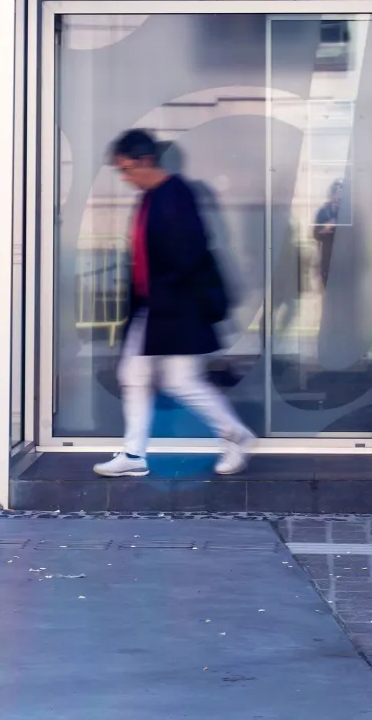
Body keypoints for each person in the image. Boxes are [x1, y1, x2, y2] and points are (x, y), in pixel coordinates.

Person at [94, 129, 257, 479]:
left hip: (178, 311)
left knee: (181, 380)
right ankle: (134, 454)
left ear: (146, 160)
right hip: (153, 309)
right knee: (134, 375)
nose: (124, 177)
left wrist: (164, 295)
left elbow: (191, 253)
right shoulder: (150, 196)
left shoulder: (175, 194)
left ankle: (234, 433)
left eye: (127, 169)